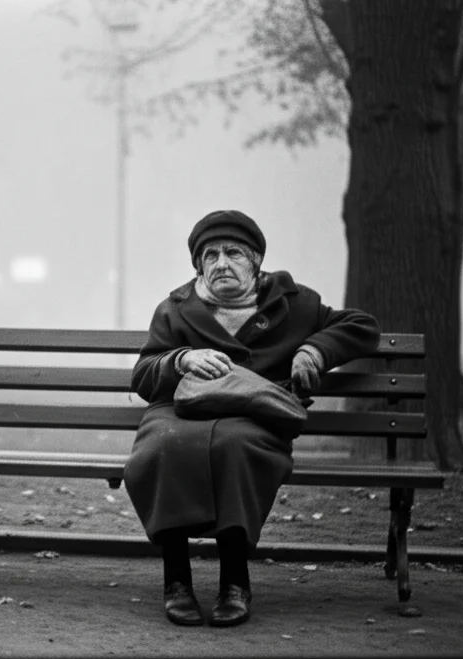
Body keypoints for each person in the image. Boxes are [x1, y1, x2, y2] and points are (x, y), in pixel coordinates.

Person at [123, 209, 381, 627]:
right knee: (163, 447)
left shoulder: (295, 304)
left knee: (234, 446)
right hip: (179, 411)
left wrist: (313, 350)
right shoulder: (175, 309)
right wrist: (182, 359)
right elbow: (143, 374)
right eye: (210, 256)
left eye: (233, 253)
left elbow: (362, 326)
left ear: (256, 260)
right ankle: (177, 582)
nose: (221, 263)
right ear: (199, 265)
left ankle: (234, 583)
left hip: (255, 414)